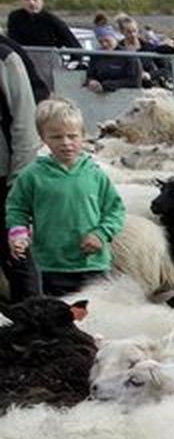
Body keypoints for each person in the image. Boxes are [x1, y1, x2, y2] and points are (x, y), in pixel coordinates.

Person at [5, 99, 124, 297]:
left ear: (83, 136)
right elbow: (17, 208)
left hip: (92, 264)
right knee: (59, 319)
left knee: (97, 318)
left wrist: (101, 234)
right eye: (56, 137)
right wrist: (18, 234)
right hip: (52, 266)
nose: (66, 143)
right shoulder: (32, 175)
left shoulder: (95, 174)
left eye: (72, 136)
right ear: (43, 138)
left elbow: (115, 210)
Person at [0, 32, 42, 299]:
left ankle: (32, 328)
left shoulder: (6, 59)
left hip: (5, 178)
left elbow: (25, 123)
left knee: (16, 256)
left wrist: (19, 180)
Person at [6, 0, 79, 93]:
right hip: (22, 69)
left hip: (46, 69)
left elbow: (74, 46)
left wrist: (72, 64)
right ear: (21, 1)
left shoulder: (51, 20)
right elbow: (11, 42)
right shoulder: (14, 18)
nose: (31, 3)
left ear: (41, 0)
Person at [83, 24, 142, 94]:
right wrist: (91, 81)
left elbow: (135, 82)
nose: (104, 44)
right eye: (100, 42)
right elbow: (89, 75)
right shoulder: (96, 56)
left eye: (107, 41)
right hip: (99, 95)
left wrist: (110, 85)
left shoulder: (128, 55)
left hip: (123, 94)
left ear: (114, 39)